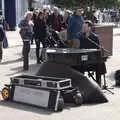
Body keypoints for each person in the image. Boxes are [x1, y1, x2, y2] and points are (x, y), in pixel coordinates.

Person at [73, 20, 107, 86]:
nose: (83, 28)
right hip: (83, 59)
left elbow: (97, 50)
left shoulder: (95, 37)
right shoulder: (81, 37)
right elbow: (79, 48)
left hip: (92, 59)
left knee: (100, 64)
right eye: (83, 27)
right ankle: (79, 84)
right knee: (74, 65)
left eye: (85, 27)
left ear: (89, 28)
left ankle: (98, 84)